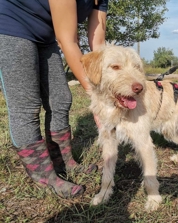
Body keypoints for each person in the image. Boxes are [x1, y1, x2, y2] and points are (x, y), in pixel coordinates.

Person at [0, 0, 108, 198]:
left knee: (61, 100)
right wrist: (97, 96)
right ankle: (44, 175)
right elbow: (68, 40)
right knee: (26, 106)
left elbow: (98, 45)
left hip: (46, 36)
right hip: (12, 26)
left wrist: (107, 86)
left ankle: (63, 162)